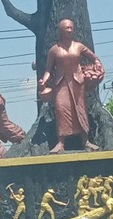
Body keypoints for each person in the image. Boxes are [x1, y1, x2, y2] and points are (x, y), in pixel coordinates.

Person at [38, 19, 104, 153]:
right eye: (66, 28)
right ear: (61, 31)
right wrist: (43, 81)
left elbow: (94, 58)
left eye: (71, 28)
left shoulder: (79, 46)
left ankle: (85, 141)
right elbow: (48, 70)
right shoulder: (54, 49)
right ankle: (60, 143)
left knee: (80, 110)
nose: (69, 30)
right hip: (60, 84)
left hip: (77, 83)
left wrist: (97, 64)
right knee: (61, 110)